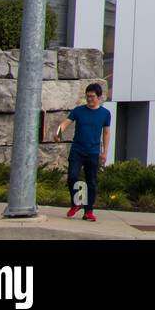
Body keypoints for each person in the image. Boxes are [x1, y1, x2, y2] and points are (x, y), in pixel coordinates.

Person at [56, 83, 110, 221]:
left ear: (99, 97)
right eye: (87, 96)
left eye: (92, 96)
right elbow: (66, 123)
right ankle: (76, 202)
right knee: (72, 177)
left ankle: (88, 211)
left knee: (91, 181)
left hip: (93, 152)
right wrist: (58, 131)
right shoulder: (78, 111)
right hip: (77, 150)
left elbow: (106, 133)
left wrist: (104, 152)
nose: (89, 99)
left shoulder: (105, 113)